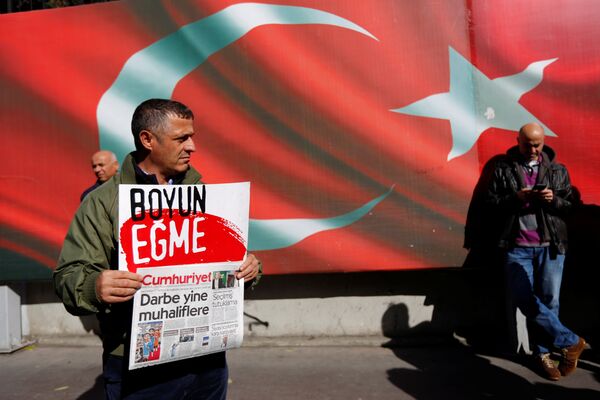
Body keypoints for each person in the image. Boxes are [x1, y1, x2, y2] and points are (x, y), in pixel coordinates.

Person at [54, 98, 261, 399]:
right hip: (139, 367)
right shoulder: (102, 203)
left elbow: (234, 259)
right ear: (147, 140)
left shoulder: (202, 194)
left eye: (192, 136)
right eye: (181, 138)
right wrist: (93, 287)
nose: (192, 146)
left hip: (208, 362)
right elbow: (67, 276)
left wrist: (250, 267)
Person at [485, 122, 585, 381]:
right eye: (527, 144)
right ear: (517, 141)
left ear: (543, 142)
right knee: (523, 297)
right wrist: (515, 198)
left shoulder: (557, 170)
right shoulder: (504, 169)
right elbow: (491, 204)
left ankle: (544, 354)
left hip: (551, 246)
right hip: (517, 246)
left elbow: (572, 207)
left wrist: (555, 200)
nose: (532, 149)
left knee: (550, 302)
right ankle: (570, 341)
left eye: (537, 144)